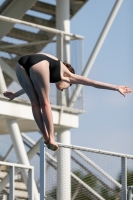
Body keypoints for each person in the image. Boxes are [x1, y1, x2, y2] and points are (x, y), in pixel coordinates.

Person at [3, 52, 132, 151]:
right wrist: (116, 87)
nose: (62, 90)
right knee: (45, 103)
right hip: (40, 62)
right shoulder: (67, 75)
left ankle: (47, 137)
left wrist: (15, 94)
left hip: (21, 63)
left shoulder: (50, 72)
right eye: (66, 88)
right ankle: (50, 138)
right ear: (67, 83)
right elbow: (92, 83)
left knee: (35, 103)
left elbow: (30, 83)